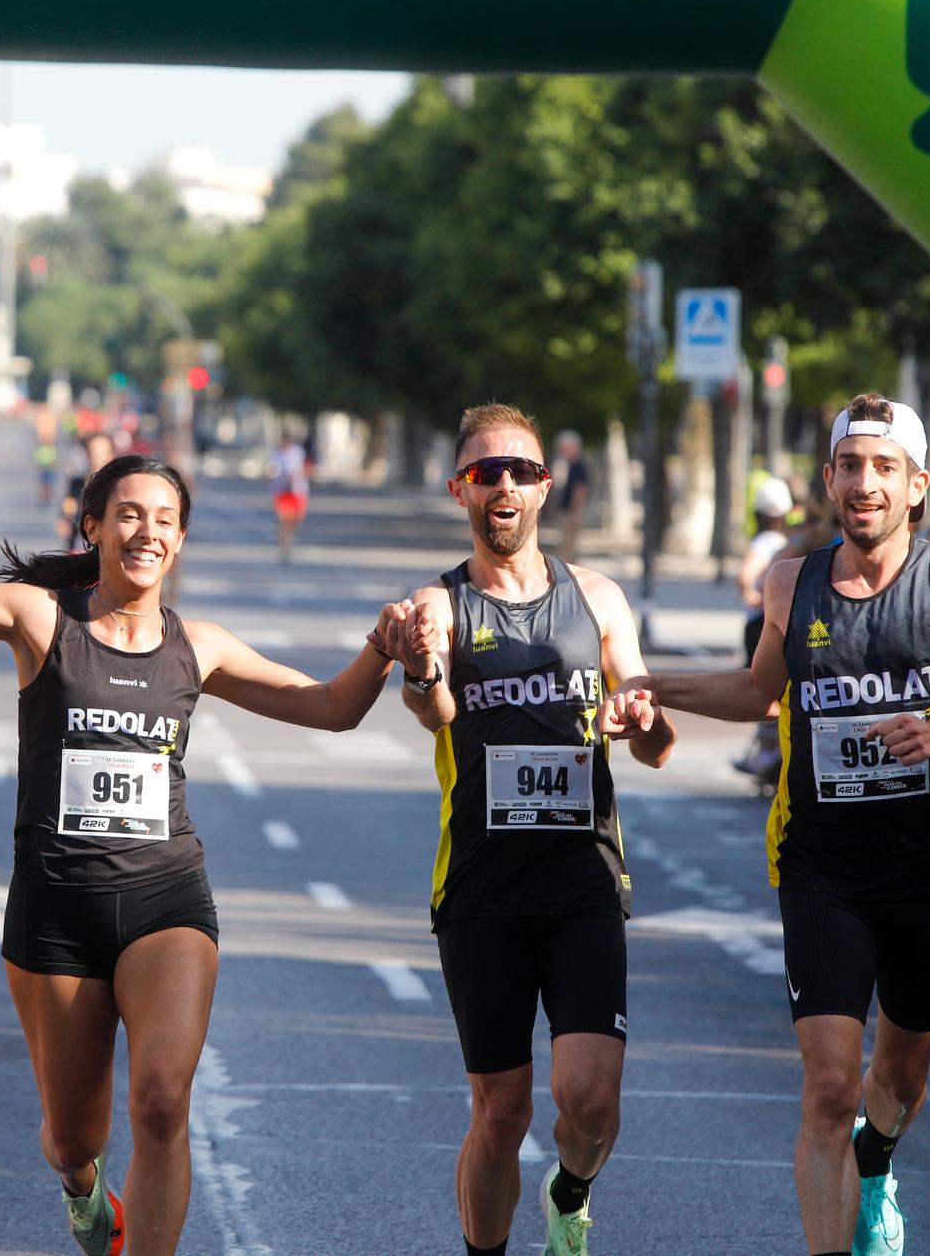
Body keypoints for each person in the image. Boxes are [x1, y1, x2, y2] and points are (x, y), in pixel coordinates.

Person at [0, 386, 401, 1256]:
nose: (146, 532)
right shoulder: (39, 619)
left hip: (167, 897)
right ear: (91, 525)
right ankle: (85, 1194)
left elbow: (329, 708)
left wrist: (382, 646)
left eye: (164, 518)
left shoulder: (196, 644)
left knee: (165, 1100)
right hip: (55, 909)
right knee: (74, 1139)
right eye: (128, 514)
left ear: (179, 539)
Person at [606, 393, 930, 1256]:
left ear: (917, 486)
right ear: (829, 480)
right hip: (821, 865)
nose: (864, 484)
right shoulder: (790, 581)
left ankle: (875, 1161)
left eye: (884, 469)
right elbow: (758, 691)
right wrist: (655, 685)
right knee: (829, 1087)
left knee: (900, 1079)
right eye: (850, 467)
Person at [378, 403, 674, 1256]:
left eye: (520, 471)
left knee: (592, 1102)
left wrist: (638, 715)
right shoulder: (439, 601)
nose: (502, 485)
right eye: (484, 473)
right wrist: (423, 662)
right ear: (460, 491)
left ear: (546, 486)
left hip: (584, 881)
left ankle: (570, 1191)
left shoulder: (598, 598)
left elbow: (656, 743)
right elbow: (430, 708)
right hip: (483, 888)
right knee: (500, 1110)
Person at [733, 477, 796, 787]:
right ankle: (769, 749)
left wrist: (755, 597)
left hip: (759, 624)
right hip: (773, 624)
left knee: (761, 685)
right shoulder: (788, 544)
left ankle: (767, 751)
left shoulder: (762, 544)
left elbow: (745, 576)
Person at [60, 432, 117, 552]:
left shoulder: (118, 484)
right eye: (94, 451)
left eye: (102, 451)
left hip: (107, 544)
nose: (97, 456)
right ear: (87, 453)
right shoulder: (78, 482)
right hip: (79, 542)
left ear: (111, 453)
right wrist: (66, 518)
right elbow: (69, 503)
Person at [270, 428, 310, 562]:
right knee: (285, 521)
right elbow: (272, 470)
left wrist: (297, 476)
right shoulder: (276, 453)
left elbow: (306, 468)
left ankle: (286, 536)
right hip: (282, 491)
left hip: (297, 491)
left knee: (294, 522)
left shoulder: (298, 452)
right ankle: (284, 547)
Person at [554, 429, 590, 553]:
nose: (562, 450)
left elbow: (580, 490)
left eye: (565, 447)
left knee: (567, 550)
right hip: (568, 512)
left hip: (571, 513)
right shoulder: (570, 464)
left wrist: (575, 512)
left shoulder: (578, 465)